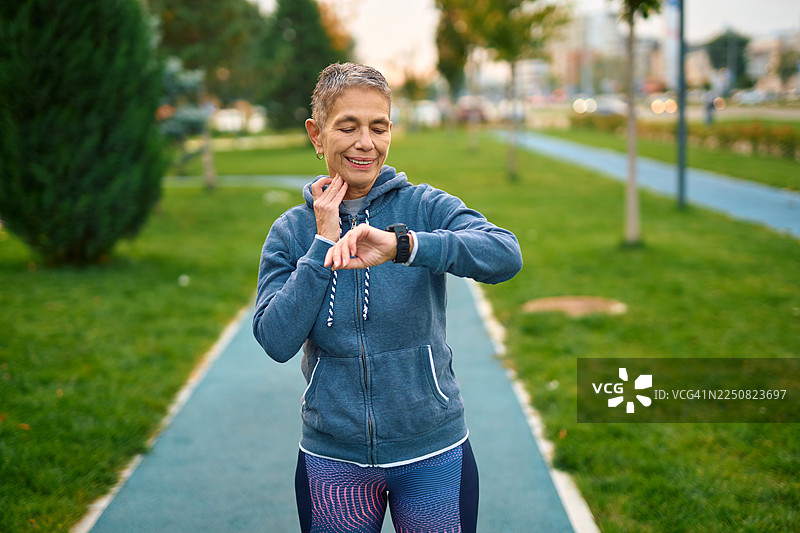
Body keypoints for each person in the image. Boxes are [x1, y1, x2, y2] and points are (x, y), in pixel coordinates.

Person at [253, 62, 523, 533]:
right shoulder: (290, 232)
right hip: (333, 460)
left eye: (379, 127)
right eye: (348, 126)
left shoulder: (422, 206)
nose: (366, 143)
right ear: (317, 135)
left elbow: (504, 253)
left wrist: (406, 245)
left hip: (433, 452)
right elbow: (275, 340)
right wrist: (321, 245)